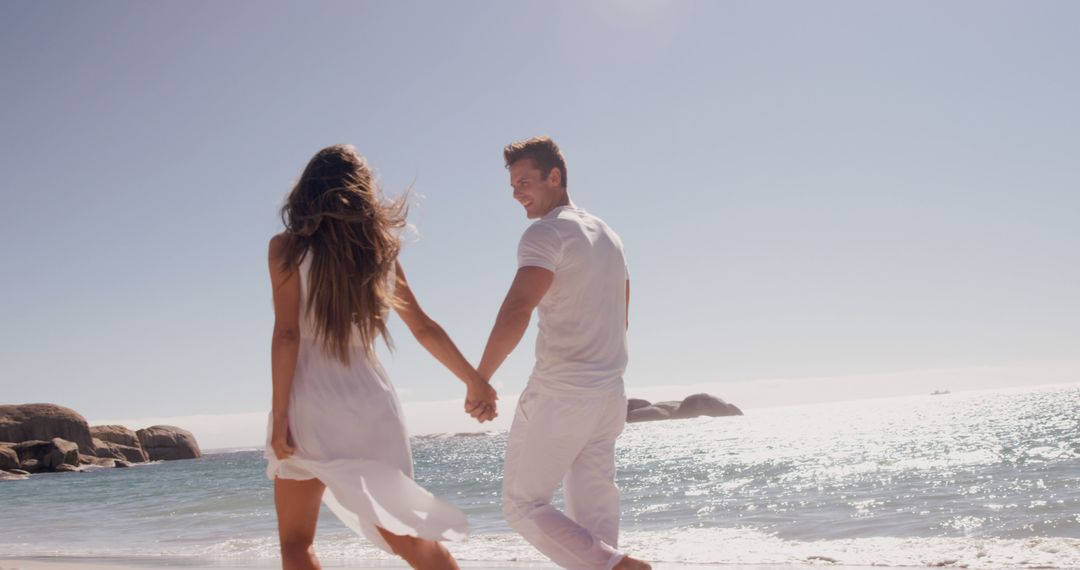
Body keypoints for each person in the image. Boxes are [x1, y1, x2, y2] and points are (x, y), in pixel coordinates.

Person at [265, 144, 497, 570]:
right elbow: (424, 328)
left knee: (296, 543)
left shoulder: (287, 249)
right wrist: (474, 380)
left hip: (311, 399)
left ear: (307, 191)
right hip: (373, 403)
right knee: (409, 534)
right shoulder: (381, 254)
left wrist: (280, 418)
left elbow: (288, 333)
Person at [470, 136, 651, 570]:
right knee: (593, 526)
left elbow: (518, 306)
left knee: (522, 505)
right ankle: (613, 564)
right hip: (608, 395)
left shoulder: (546, 232)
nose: (518, 193)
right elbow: (622, 308)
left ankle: (619, 566)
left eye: (525, 181)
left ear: (556, 177)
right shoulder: (608, 235)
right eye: (513, 185)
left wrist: (481, 378)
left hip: (561, 392)